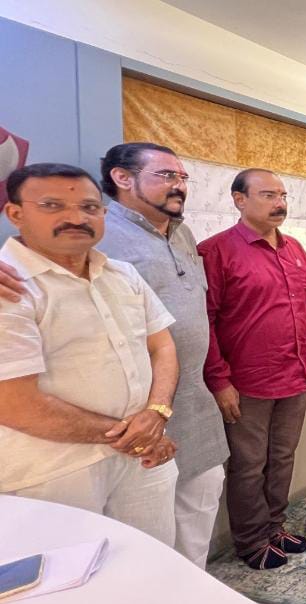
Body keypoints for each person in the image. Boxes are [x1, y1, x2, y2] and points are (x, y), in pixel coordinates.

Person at [0, 163, 179, 544]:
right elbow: (14, 404)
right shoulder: (10, 287)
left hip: (142, 459)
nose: (76, 218)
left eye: (89, 207)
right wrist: (137, 436)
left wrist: (157, 412)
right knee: (69, 575)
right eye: (52, 205)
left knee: (152, 563)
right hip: (54, 471)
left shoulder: (123, 275)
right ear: (15, 213)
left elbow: (161, 346)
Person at [93, 142, 231, 569]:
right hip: (138, 414)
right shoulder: (100, 232)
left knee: (200, 513)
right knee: (145, 541)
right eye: (166, 175)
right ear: (122, 177)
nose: (179, 186)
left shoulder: (183, 233)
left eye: (183, 177)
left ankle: (194, 591)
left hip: (194, 402)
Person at [200, 168, 306, 569]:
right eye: (268, 195)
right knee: (248, 466)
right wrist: (219, 381)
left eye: (282, 195)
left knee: (282, 458)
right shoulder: (215, 251)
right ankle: (251, 541)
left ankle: (274, 528)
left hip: (294, 376)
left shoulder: (295, 249)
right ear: (239, 199)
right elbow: (204, 321)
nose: (279, 203)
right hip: (246, 383)